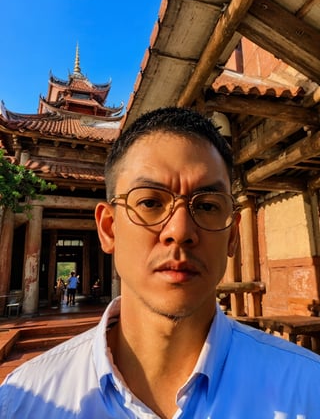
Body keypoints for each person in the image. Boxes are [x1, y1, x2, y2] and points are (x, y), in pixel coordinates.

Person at [1, 106, 320, 418]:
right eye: (150, 202)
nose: (180, 231)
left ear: (232, 235)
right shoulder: (23, 401)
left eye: (207, 205)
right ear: (109, 229)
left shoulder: (308, 391)